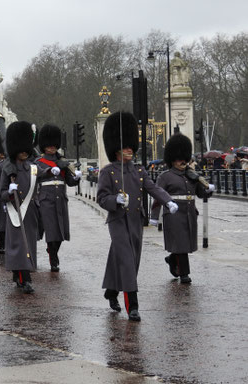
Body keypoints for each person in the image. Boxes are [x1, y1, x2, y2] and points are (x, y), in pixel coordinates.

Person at [97, 112, 178, 321]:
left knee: (128, 260)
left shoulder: (139, 171)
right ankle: (132, 306)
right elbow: (102, 198)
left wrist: (168, 201)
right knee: (125, 259)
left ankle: (111, 291)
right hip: (117, 221)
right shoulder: (107, 172)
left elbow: (153, 189)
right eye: (125, 148)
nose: (129, 151)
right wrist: (115, 200)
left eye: (131, 148)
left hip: (135, 220)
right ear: (116, 150)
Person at [150, 134, 215, 283]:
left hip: (189, 214)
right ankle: (184, 274)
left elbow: (200, 194)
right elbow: (158, 196)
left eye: (184, 158)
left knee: (185, 244)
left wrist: (209, 190)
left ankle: (172, 259)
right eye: (179, 159)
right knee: (180, 244)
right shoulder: (165, 177)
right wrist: (154, 216)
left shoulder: (192, 175)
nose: (183, 161)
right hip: (173, 215)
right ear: (172, 160)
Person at [0, 121, 48, 294]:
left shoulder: (33, 168)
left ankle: (21, 274)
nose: (24, 153)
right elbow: (1, 194)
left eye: (25, 150)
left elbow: (45, 173)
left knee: (28, 246)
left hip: (30, 212)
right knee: (19, 246)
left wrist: (57, 171)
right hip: (15, 211)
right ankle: (24, 278)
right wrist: (10, 192)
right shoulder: (7, 169)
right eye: (20, 150)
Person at [35, 123, 82, 272]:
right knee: (51, 230)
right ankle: (53, 258)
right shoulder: (39, 162)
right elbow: (37, 175)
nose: (51, 148)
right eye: (49, 146)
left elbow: (69, 181)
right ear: (44, 146)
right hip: (46, 199)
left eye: (54, 145)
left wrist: (77, 178)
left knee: (61, 231)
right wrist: (49, 170)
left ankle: (53, 250)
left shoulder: (63, 162)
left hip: (61, 198)